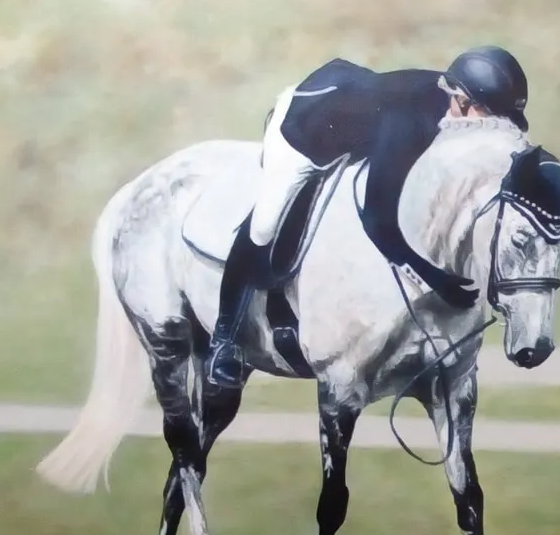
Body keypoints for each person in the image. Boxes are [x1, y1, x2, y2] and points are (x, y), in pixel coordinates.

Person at [206, 45, 531, 389]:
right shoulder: (409, 123)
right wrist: (435, 279)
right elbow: (378, 220)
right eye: (490, 119)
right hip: (306, 128)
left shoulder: (465, 113)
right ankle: (225, 340)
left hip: (360, 108)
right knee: (264, 226)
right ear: (461, 101)